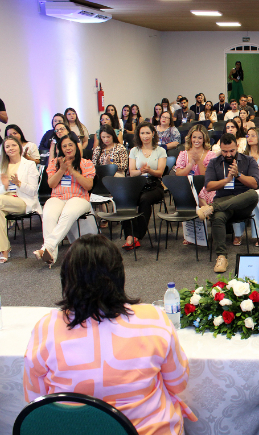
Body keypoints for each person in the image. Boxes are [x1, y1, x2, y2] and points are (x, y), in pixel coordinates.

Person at [23, 234, 197, 434]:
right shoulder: (153, 318)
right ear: (119, 275)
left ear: (66, 278)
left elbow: (35, 399)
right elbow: (178, 383)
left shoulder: (47, 327)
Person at [198, 133, 259, 273]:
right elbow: (208, 186)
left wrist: (238, 175)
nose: (228, 154)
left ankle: (213, 208)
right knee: (218, 218)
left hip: (242, 201)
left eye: (231, 151)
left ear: (237, 147)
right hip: (223, 199)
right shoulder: (214, 162)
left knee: (252, 194)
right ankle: (221, 256)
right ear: (220, 149)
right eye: (225, 151)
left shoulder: (248, 160)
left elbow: (255, 184)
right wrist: (226, 180)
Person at [35, 132, 97, 266]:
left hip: (79, 198)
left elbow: (88, 185)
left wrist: (73, 171)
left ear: (76, 146)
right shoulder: (54, 163)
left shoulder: (86, 163)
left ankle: (47, 247)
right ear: (60, 149)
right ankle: (51, 256)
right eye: (64, 146)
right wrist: (62, 170)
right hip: (57, 197)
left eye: (70, 144)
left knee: (67, 213)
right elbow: (51, 184)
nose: (68, 148)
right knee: (48, 215)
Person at [0, 136, 41, 263]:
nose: (11, 148)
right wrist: (4, 186)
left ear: (19, 147)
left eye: (13, 145)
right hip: (4, 200)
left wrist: (18, 183)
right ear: (4, 150)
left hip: (23, 201)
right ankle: (4, 249)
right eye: (7, 146)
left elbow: (33, 191)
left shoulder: (29, 164)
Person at [124, 122, 167, 250]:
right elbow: (132, 172)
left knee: (145, 199)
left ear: (153, 134)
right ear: (138, 135)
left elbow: (160, 173)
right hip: (138, 184)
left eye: (148, 133)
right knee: (125, 200)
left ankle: (137, 235)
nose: (145, 136)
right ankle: (129, 235)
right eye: (142, 133)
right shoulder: (134, 151)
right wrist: (141, 171)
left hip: (155, 185)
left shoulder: (160, 150)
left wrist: (149, 171)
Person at [232, 127, 259, 247]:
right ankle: (238, 233)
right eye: (248, 136)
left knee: (256, 198)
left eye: (253, 135)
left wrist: (257, 168)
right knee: (238, 197)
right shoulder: (243, 155)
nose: (249, 138)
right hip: (247, 184)